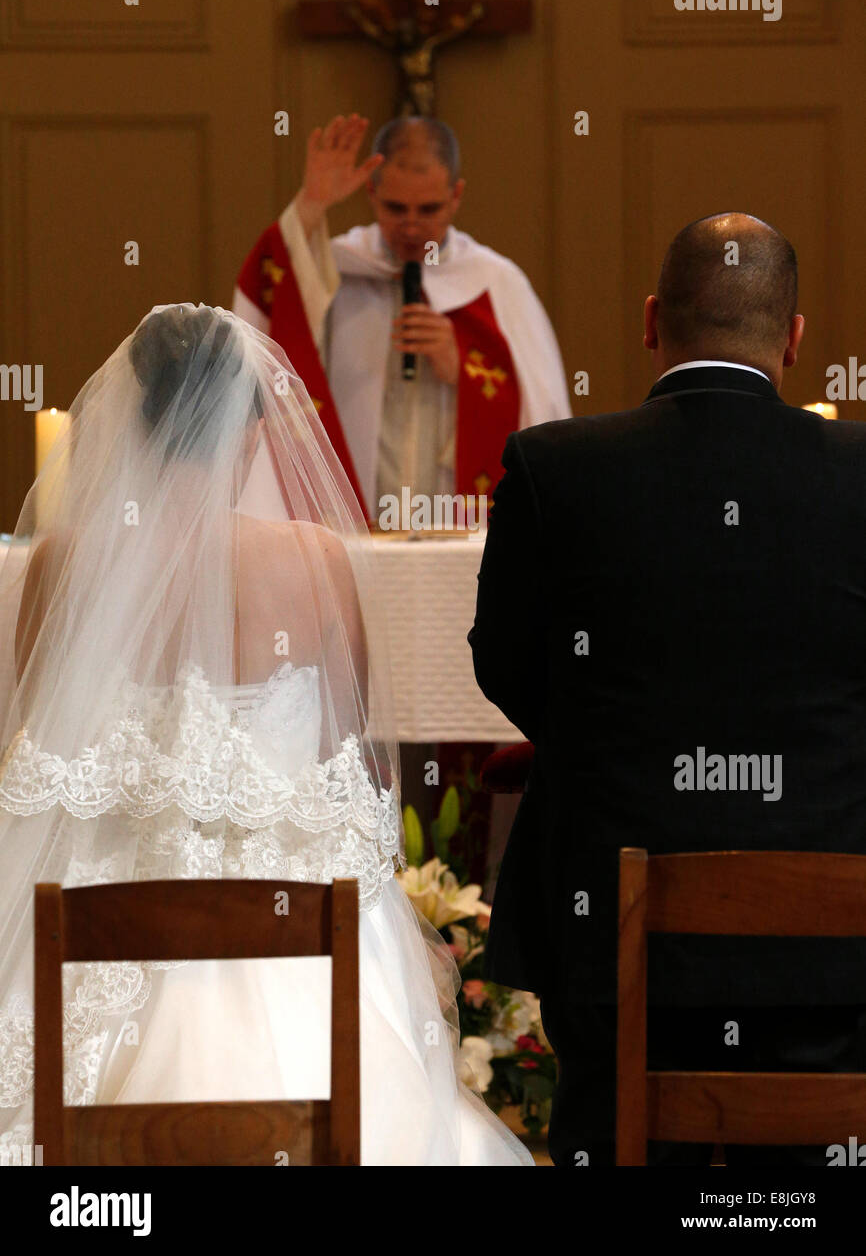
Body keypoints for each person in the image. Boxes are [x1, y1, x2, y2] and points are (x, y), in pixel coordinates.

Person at [0, 303, 532, 1167]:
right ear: (252, 432)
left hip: (95, 918)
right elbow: (343, 750)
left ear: (133, 418)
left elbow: (39, 740)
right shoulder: (316, 560)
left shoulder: (63, 562)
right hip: (290, 921)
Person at [469, 213, 866, 1166]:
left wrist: (615, 747)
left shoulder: (553, 468)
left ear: (652, 321)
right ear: (795, 337)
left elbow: (504, 662)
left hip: (611, 927)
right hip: (832, 941)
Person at [233, 114, 571, 520]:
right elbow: (272, 329)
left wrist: (465, 369)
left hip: (453, 521)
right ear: (372, 194)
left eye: (428, 209)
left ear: (456, 197)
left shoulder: (497, 283)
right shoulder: (334, 269)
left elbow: (544, 419)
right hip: (353, 519)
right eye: (395, 208)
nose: (411, 226)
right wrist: (312, 203)